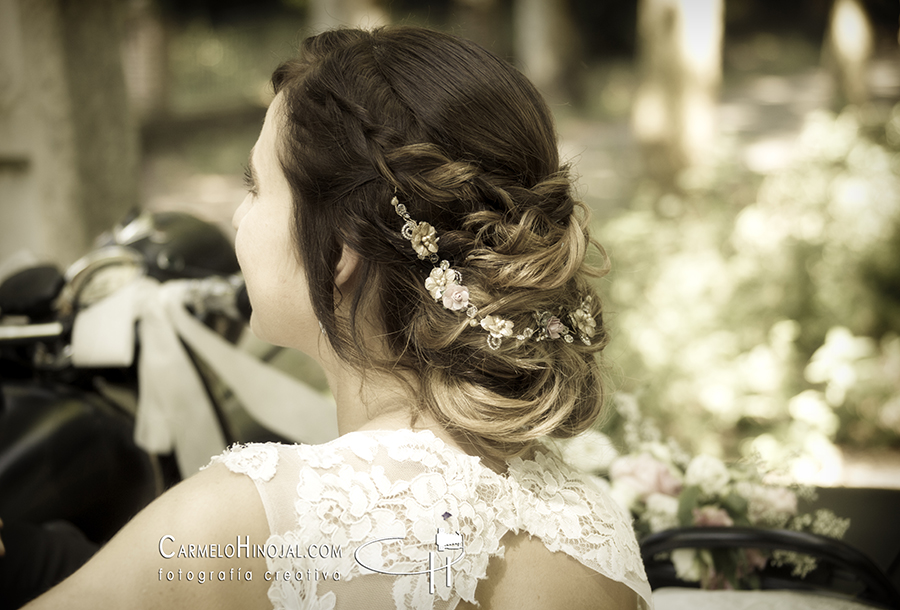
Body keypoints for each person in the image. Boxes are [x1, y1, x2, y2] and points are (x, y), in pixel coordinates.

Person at [24, 26, 652, 609]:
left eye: (256, 187)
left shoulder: (248, 522)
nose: (238, 219)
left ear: (343, 248)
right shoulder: (597, 532)